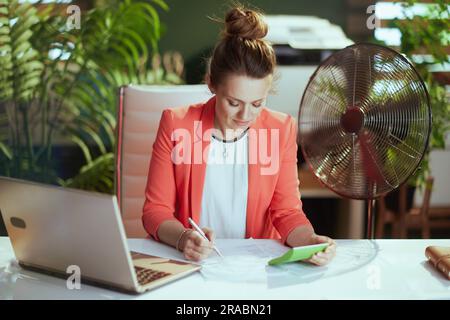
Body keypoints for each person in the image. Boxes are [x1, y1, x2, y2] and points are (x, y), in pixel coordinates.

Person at [142, 5, 336, 265]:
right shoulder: (177, 124)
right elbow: (155, 211)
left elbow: (286, 211)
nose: (245, 115)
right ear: (211, 84)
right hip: (191, 265)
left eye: (257, 103)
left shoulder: (281, 129)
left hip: (253, 269)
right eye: (233, 102)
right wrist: (183, 238)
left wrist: (310, 241)